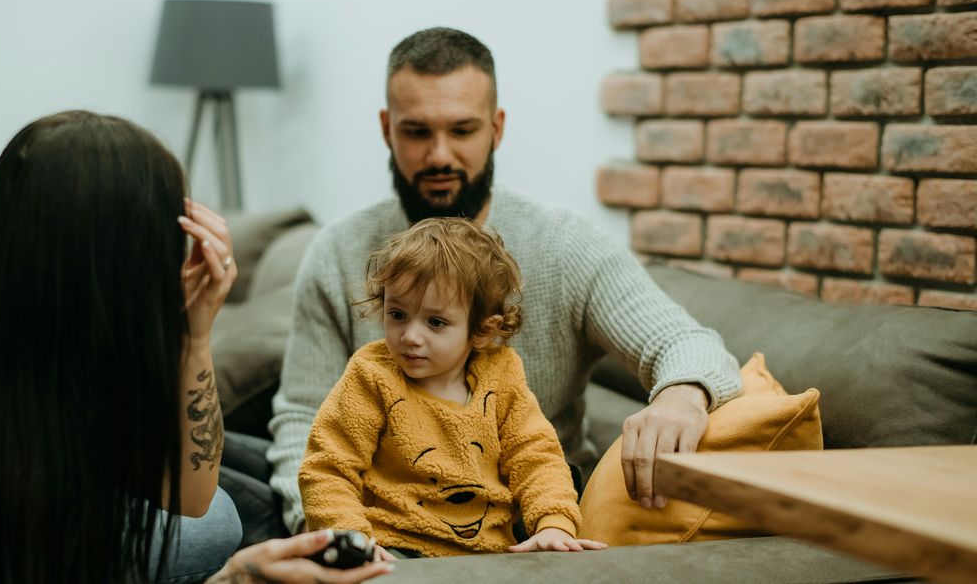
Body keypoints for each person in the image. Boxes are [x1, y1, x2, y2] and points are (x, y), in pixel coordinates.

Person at [0, 111, 390, 584]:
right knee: (226, 518)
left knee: (249, 461)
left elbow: (183, 485)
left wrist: (195, 331)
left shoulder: (4, 304)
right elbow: (194, 504)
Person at [268, 28, 744, 535]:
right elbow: (302, 415)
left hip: (527, 521)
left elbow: (688, 343)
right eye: (416, 132)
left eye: (463, 130)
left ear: (497, 128)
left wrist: (682, 396)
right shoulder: (337, 250)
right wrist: (322, 534)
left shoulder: (565, 246)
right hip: (379, 526)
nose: (439, 156)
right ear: (387, 129)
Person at [299, 218, 608, 558]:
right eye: (398, 314)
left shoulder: (501, 376)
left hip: (490, 552)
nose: (411, 336)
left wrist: (553, 524)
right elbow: (328, 467)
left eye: (435, 322)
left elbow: (537, 457)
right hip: (393, 546)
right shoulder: (371, 375)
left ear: (481, 331)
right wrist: (351, 541)